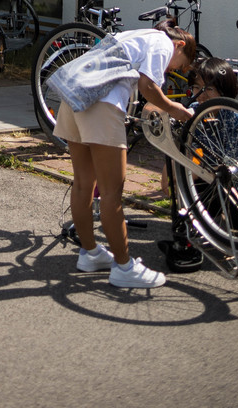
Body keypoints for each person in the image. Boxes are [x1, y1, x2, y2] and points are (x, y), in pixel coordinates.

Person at [47, 22, 197, 289]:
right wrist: (175, 108)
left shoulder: (135, 34)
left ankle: (90, 254)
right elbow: (148, 85)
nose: (174, 70)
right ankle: (125, 267)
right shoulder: (163, 43)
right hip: (102, 104)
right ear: (180, 46)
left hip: (74, 96)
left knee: (83, 183)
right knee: (111, 192)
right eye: (180, 65)